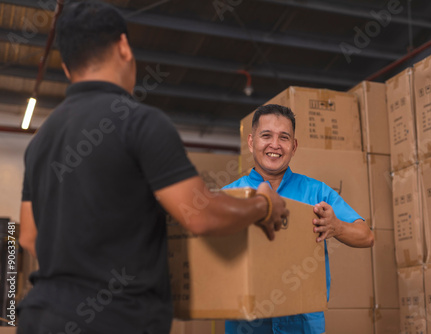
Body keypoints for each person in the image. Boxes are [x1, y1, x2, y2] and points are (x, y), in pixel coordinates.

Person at [17, 2, 289, 333]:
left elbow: (30, 235)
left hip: (40, 318)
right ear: (123, 47)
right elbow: (200, 214)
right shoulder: (139, 122)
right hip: (117, 320)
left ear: (65, 67)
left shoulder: (40, 141)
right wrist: (263, 205)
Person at [224, 104, 374, 334]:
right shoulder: (229, 197)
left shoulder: (316, 192)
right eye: (267, 136)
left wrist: (336, 227)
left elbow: (367, 236)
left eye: (284, 138)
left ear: (294, 147)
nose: (275, 145)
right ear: (252, 142)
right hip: (246, 324)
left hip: (303, 324)